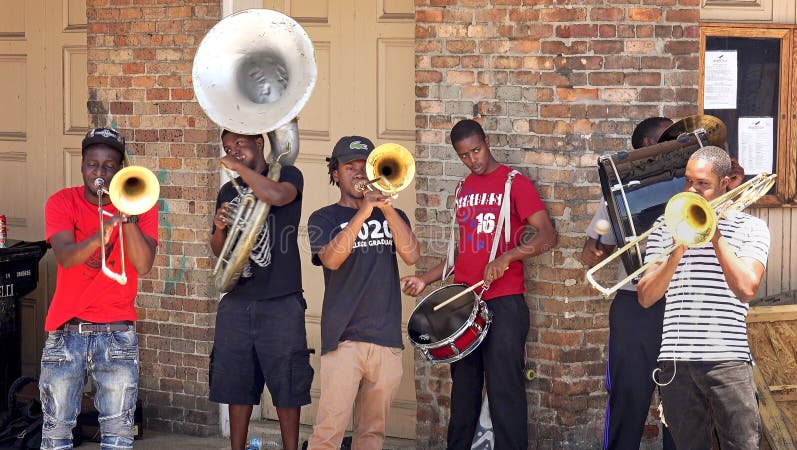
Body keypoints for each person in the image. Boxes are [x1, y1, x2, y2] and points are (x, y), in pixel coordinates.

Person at [402, 119, 557, 450]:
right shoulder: (462, 190)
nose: (473, 160)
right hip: (463, 304)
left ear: (487, 142)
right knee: (464, 393)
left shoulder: (514, 183)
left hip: (504, 302)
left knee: (505, 393)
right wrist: (424, 279)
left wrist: (508, 257)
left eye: (477, 150)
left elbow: (547, 235)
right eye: (464, 155)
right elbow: (460, 257)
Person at [637, 145, 769, 449]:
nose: (692, 191)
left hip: (728, 361)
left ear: (725, 183)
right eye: (688, 182)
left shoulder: (752, 228)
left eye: (703, 184)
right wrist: (676, 251)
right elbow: (645, 297)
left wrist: (716, 237)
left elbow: (746, 288)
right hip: (676, 362)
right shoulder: (664, 227)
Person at [41, 127, 158, 450]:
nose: (100, 172)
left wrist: (128, 215)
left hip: (117, 332)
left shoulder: (141, 206)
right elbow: (65, 257)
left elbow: (143, 264)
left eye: (109, 166)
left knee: (119, 437)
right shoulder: (62, 202)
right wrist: (101, 234)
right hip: (67, 332)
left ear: (121, 170)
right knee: (56, 433)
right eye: (93, 164)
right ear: (82, 165)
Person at [306, 136, 420, 450]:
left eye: (364, 166)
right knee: (328, 433)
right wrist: (363, 213)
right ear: (335, 174)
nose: (358, 172)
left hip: (385, 339)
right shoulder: (323, 218)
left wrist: (387, 208)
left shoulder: (391, 214)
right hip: (344, 339)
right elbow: (331, 259)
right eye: (349, 166)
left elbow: (412, 255)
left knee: (371, 435)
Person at [209, 130, 313, 450]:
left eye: (239, 144)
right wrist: (221, 227)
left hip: (281, 299)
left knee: (287, 384)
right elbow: (218, 249)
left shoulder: (287, 173)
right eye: (228, 147)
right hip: (238, 301)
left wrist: (240, 168)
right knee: (236, 385)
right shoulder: (228, 190)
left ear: (259, 143)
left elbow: (278, 197)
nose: (233, 151)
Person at [580, 117, 676, 450]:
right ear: (650, 146)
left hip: (682, 305)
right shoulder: (620, 194)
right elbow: (590, 252)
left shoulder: (692, 185)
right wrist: (596, 248)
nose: (679, 142)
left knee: (681, 403)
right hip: (635, 305)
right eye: (670, 136)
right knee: (629, 398)